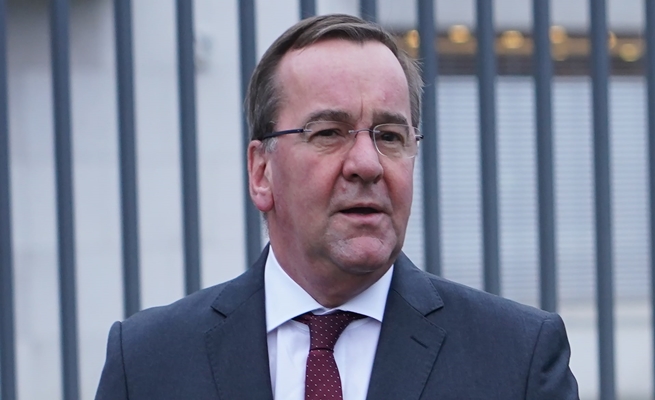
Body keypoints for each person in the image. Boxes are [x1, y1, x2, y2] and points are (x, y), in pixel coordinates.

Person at [95, 14, 579, 399]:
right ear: (262, 172)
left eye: (390, 136)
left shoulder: (516, 359)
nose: (367, 164)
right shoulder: (148, 363)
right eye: (329, 132)